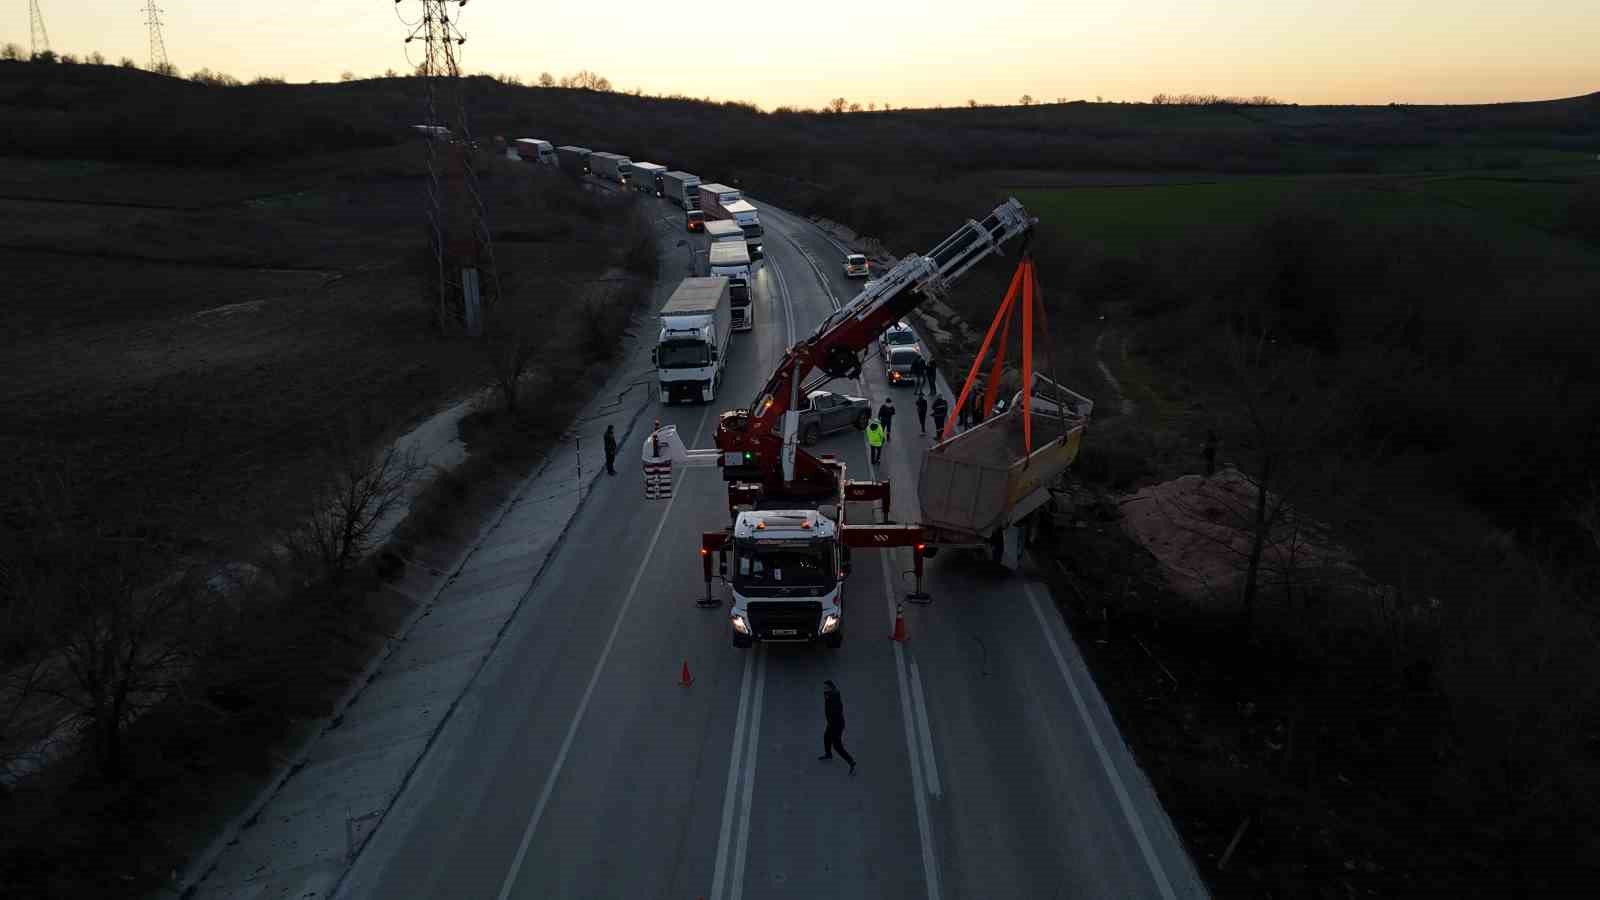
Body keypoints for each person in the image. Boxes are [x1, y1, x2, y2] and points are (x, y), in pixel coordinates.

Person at [817, 679, 856, 775]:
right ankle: (828, 754)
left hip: (836, 724)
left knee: (837, 745)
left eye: (827, 687)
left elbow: (836, 710)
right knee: (826, 737)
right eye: (824, 687)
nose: (825, 689)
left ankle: (851, 762)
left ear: (831, 688)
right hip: (832, 723)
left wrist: (833, 721)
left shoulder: (833, 697)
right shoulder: (829, 695)